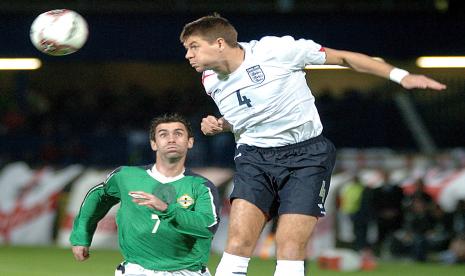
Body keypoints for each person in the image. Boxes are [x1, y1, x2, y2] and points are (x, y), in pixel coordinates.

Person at [179, 14, 446, 276]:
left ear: (220, 43)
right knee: (237, 245)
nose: (188, 55)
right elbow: (251, 113)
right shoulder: (210, 80)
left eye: (194, 47)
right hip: (254, 158)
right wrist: (221, 124)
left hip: (306, 157)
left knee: (290, 247)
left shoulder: (277, 50)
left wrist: (400, 76)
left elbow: (343, 57)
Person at [70, 113, 221, 276]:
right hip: (136, 270)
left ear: (190, 142)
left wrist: (167, 209)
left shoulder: (201, 186)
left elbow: (208, 226)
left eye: (178, 133)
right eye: (163, 134)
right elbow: (98, 197)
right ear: (153, 144)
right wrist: (81, 236)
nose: (171, 139)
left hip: (187, 271)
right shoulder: (126, 176)